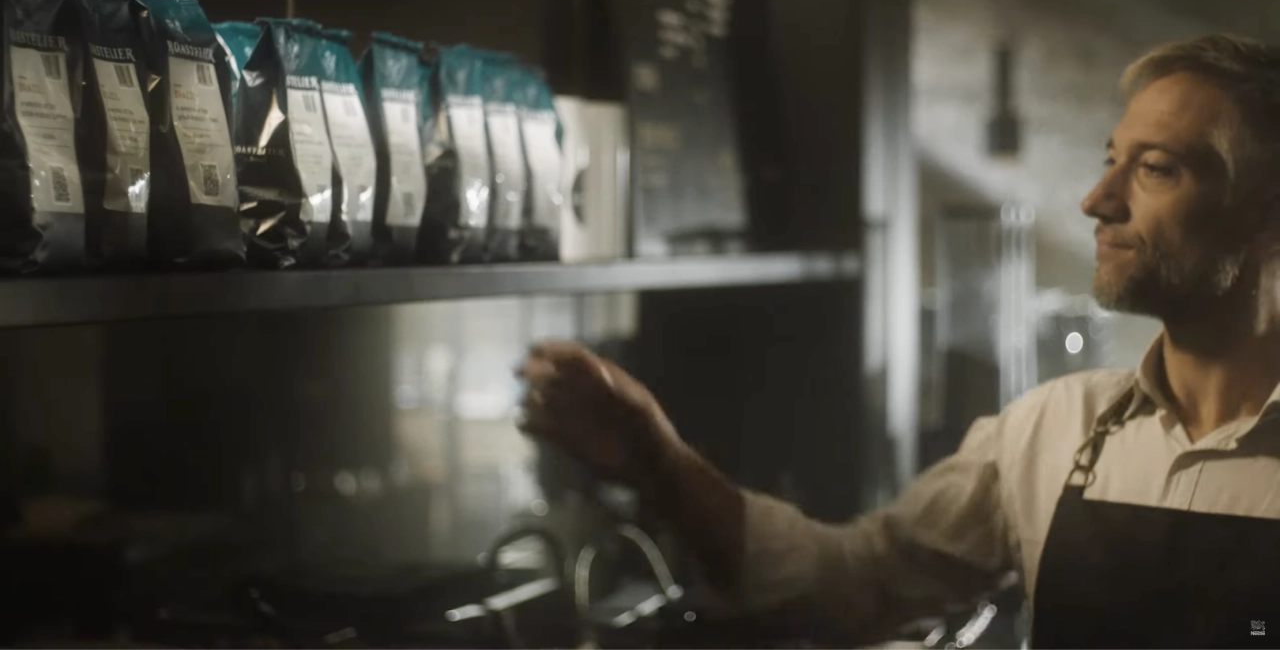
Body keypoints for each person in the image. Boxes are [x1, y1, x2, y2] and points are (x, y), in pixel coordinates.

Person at [517, 35, 1280, 649]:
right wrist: (658, 456)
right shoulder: (1054, 432)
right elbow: (851, 583)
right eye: (1109, 160)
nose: (1096, 200)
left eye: (1156, 168)